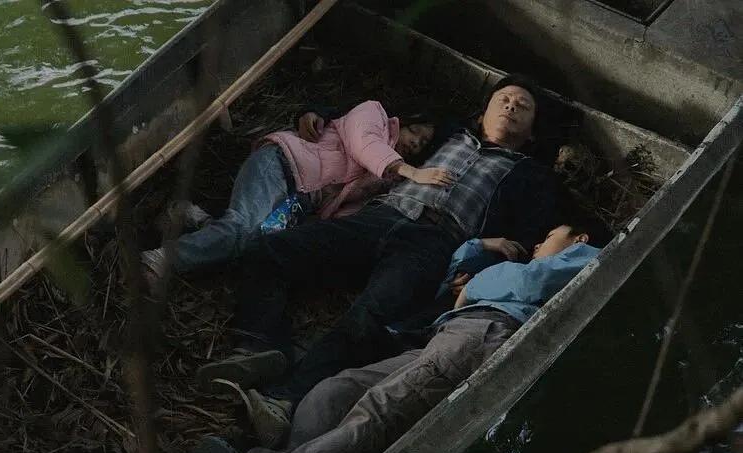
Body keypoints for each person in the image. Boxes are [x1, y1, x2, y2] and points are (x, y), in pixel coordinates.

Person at [197, 74, 567, 420]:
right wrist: (319, 112)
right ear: (483, 110)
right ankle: (259, 344)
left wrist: (477, 266)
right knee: (269, 250)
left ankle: (284, 400)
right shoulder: (448, 131)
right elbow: (383, 115)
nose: (511, 106)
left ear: (533, 130)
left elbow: (522, 241)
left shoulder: (534, 177)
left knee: (370, 318)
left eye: (522, 106)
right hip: (379, 216)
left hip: (436, 242)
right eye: (504, 98)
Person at [180, 222, 604, 453]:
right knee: (338, 389)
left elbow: (526, 280)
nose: (538, 244)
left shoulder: (589, 256)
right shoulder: (508, 272)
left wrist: (478, 282)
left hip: (487, 332)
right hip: (446, 334)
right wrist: (480, 249)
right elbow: (453, 272)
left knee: (385, 406)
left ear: (578, 237)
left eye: (550, 235)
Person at [140, 100, 438, 279]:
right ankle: (156, 262)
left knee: (254, 248)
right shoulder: (373, 115)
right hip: (282, 163)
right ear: (403, 121)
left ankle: (190, 216)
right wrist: (410, 171)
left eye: (422, 143)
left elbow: (347, 207)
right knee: (241, 229)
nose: (415, 142)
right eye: (415, 131)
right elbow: (365, 145)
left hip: (299, 202)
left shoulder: (384, 178)